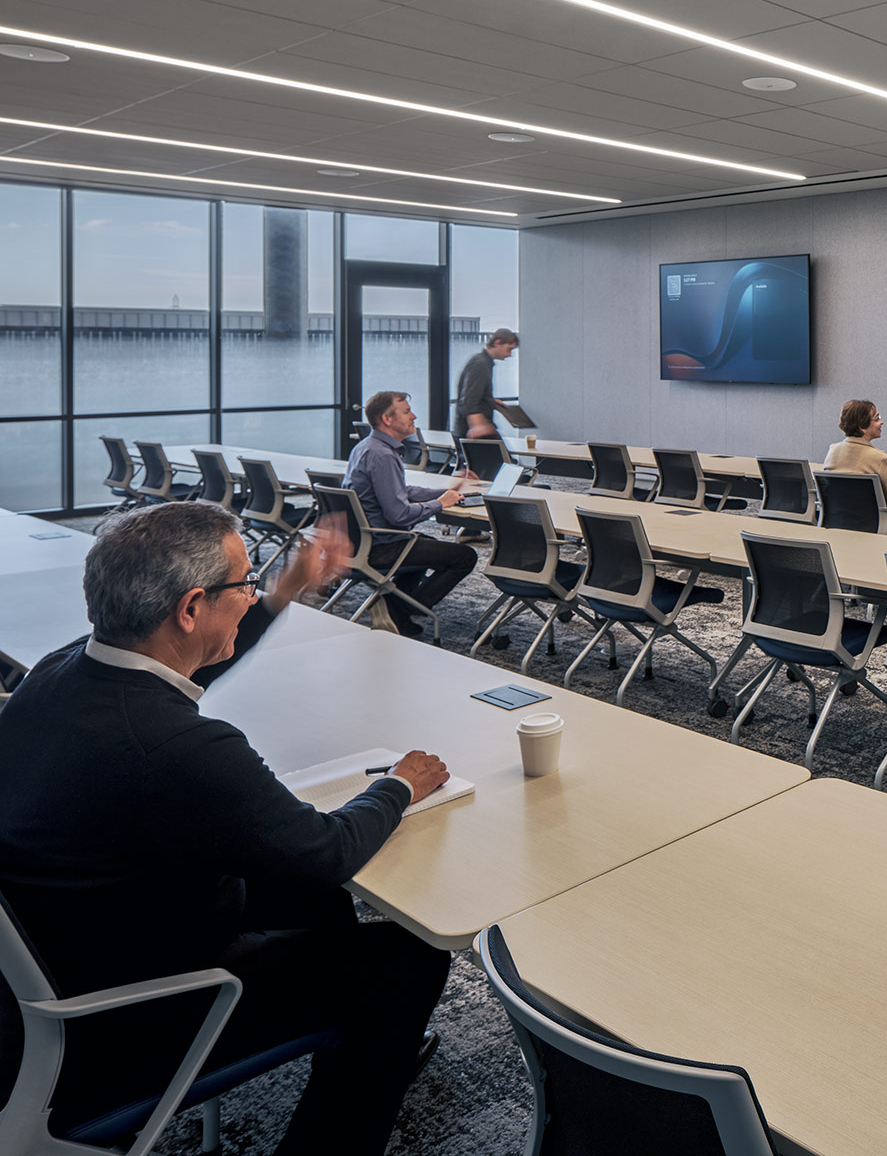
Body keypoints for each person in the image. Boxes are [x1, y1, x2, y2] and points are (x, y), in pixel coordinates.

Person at [0, 502, 452, 1155]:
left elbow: (182, 666)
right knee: (407, 960)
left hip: (64, 964)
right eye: (244, 583)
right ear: (189, 608)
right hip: (125, 1022)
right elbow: (327, 850)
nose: (250, 593)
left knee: (300, 890)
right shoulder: (184, 748)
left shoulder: (59, 673)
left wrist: (286, 592)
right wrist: (400, 783)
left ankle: (352, 1036)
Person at [345, 389, 479, 637]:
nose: (414, 416)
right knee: (465, 557)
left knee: (425, 545)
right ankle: (398, 606)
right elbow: (399, 515)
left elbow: (401, 490)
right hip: (380, 547)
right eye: (406, 412)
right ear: (387, 419)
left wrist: (445, 492)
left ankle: (397, 614)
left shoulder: (367, 447)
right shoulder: (383, 455)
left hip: (358, 543)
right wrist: (440, 504)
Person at [824, 398, 887, 535]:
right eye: (877, 418)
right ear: (862, 426)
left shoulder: (833, 451)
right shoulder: (880, 459)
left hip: (839, 526)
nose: (882, 422)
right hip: (877, 529)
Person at [455, 327, 520, 440]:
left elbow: (473, 392)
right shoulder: (480, 364)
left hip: (477, 427)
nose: (510, 354)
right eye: (509, 349)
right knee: (503, 458)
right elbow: (468, 398)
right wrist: (476, 424)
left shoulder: (483, 362)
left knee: (504, 457)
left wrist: (490, 401)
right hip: (477, 430)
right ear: (497, 343)